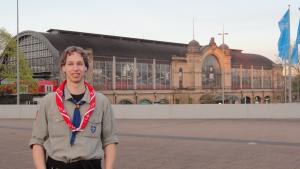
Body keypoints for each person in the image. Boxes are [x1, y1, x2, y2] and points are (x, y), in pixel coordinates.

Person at [29, 46, 118, 169]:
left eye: (79, 64)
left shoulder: (102, 102)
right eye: (70, 64)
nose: (75, 68)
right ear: (63, 68)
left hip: (90, 165)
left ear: (86, 67)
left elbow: (110, 141)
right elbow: (37, 141)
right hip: (57, 165)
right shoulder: (48, 102)